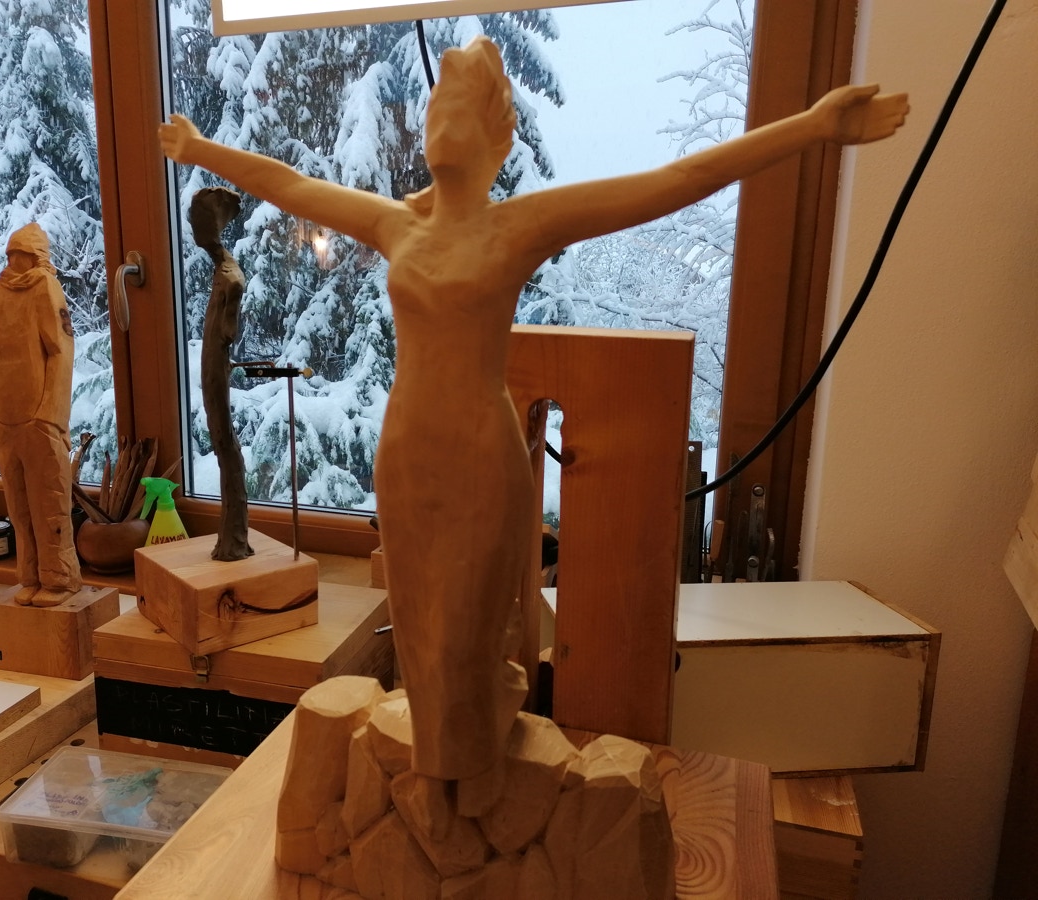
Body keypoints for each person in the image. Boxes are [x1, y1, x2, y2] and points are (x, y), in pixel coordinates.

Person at [158, 36, 908, 780]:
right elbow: (289, 184)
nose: (440, 120)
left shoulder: (517, 228)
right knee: (420, 632)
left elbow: (676, 178)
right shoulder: (396, 226)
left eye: (460, 107)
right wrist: (198, 148)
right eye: (436, 106)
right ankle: (435, 790)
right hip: (407, 456)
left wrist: (813, 125)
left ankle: (467, 784)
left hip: (483, 461)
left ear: (496, 135)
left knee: (470, 631)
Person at [0, 222, 83, 607]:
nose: (14, 261)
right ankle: (29, 575)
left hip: (40, 417)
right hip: (6, 418)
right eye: (11, 254)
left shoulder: (45, 287)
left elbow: (62, 351)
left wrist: (50, 414)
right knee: (19, 507)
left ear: (36, 256)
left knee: (50, 503)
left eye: (21, 255)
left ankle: (59, 579)